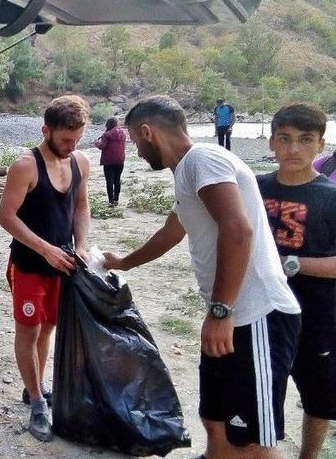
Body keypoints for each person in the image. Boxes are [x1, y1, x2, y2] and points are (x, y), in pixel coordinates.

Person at [103, 95, 300, 459]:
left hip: (256, 315)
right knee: (216, 421)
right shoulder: (187, 172)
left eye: (135, 141)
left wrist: (221, 311)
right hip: (229, 315)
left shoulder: (203, 160)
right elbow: (171, 233)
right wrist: (124, 263)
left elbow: (237, 230)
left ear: (148, 132)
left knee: (253, 441)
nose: (137, 151)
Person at [0, 95, 92, 442]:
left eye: (77, 139)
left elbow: (81, 207)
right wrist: (45, 249)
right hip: (28, 265)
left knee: (48, 328)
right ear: (46, 130)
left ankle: (32, 387)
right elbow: (6, 217)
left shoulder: (80, 162)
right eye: (66, 140)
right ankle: (37, 401)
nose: (72, 146)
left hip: (63, 264)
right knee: (29, 330)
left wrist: (79, 244)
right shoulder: (25, 166)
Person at [257, 103, 335, 459]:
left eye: (305, 140)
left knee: (319, 395)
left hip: (316, 313)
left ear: (321, 144)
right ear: (271, 142)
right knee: (262, 390)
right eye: (284, 139)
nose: (293, 149)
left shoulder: (330, 198)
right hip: (261, 311)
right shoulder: (252, 189)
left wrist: (290, 263)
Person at [95, 116, 126, 206]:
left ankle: (111, 202)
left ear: (108, 124)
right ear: (116, 124)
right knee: (117, 180)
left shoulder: (106, 134)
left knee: (109, 181)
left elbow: (102, 146)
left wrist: (96, 143)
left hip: (108, 161)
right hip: (120, 160)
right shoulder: (122, 133)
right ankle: (116, 200)